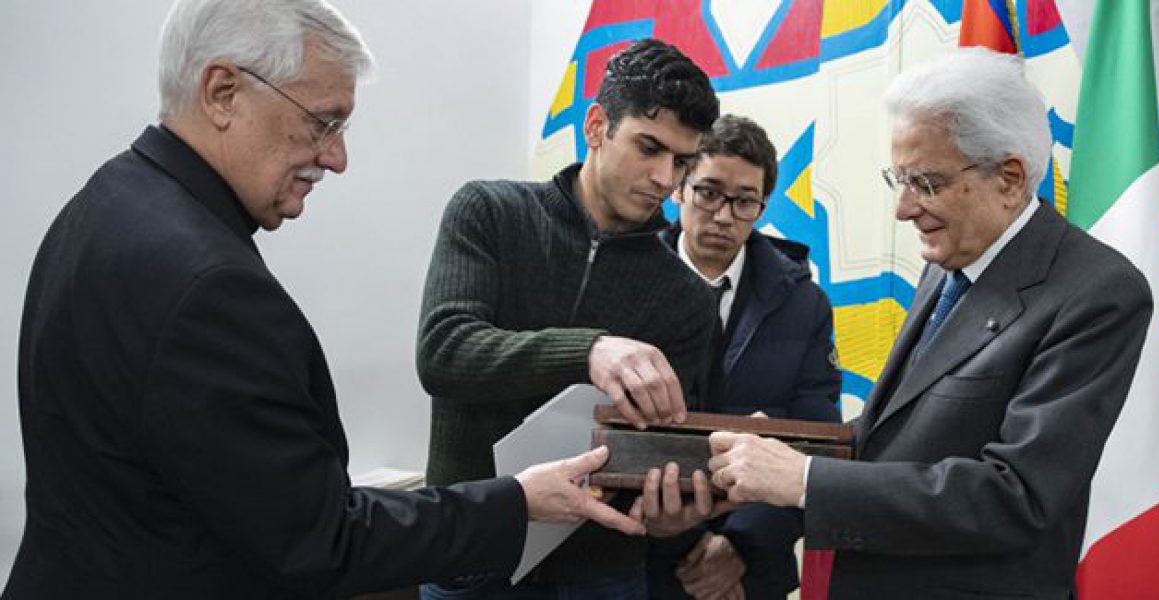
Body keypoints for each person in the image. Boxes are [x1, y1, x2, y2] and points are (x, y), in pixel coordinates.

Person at [4, 1, 644, 597]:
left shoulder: (102, 203)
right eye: (323, 120)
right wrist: (517, 502)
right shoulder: (211, 288)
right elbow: (322, 540)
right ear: (223, 92)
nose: (336, 157)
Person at [706, 48, 1154, 599]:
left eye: (925, 182)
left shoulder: (1097, 292)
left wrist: (803, 480)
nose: (903, 207)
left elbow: (1015, 496)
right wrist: (782, 450)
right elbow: (899, 439)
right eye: (899, 178)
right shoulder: (950, 261)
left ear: (1010, 179)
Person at [417, 38, 720, 598]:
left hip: (601, 571)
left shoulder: (687, 298)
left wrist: (671, 509)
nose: (664, 179)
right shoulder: (488, 212)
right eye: (648, 147)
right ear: (598, 125)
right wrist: (590, 352)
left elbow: (663, 445)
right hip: (470, 551)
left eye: (680, 161)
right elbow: (444, 351)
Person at [649, 114, 841, 599]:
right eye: (709, 192)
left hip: (752, 571)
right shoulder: (631, 282)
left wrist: (736, 548)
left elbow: (815, 443)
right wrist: (685, 542)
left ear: (762, 205)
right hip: (639, 561)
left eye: (745, 201)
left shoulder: (803, 303)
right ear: (679, 188)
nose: (723, 215)